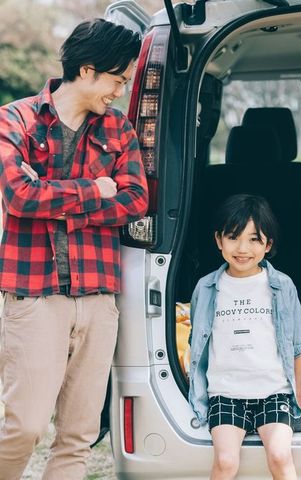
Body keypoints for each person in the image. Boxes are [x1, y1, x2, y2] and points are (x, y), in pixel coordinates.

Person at [0, 18, 147, 480]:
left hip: (99, 297)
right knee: (23, 425)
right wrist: (95, 190)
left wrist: (62, 200)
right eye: (119, 79)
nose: (120, 91)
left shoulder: (118, 128)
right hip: (34, 295)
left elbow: (136, 199)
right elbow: (17, 196)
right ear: (87, 70)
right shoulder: (14, 119)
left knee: (78, 435)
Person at [188, 193, 301, 480]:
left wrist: (299, 398)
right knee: (224, 461)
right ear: (219, 240)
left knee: (280, 455)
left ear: (268, 245)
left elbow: (298, 345)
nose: (242, 248)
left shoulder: (282, 286)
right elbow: (198, 342)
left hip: (273, 391)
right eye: (233, 237)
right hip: (225, 393)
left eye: (254, 239)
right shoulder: (207, 287)